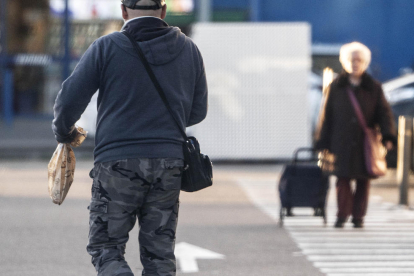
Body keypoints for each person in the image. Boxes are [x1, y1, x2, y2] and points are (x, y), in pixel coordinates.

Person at [52, 0, 208, 275]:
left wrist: (65, 133)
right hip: (169, 162)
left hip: (116, 164)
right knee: (160, 255)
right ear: (163, 11)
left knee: (106, 247)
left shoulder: (106, 47)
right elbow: (197, 112)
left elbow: (69, 100)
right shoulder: (189, 49)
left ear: (123, 11)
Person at [315, 42, 396, 229]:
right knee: (342, 180)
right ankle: (342, 215)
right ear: (345, 62)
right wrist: (322, 141)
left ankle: (358, 216)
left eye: (359, 60)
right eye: (352, 60)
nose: (355, 63)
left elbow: (383, 114)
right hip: (340, 142)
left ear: (365, 62)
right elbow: (326, 116)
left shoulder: (373, 87)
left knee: (363, 181)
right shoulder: (336, 87)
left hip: (363, 144)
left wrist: (388, 136)